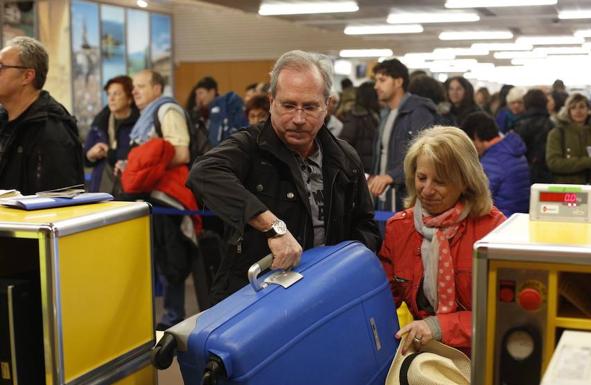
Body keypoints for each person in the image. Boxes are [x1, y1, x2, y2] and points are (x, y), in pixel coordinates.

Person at [187, 50, 381, 306]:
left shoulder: (345, 157)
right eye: (288, 106)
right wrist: (273, 227)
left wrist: (342, 265)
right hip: (256, 299)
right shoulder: (251, 146)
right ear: (271, 102)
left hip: (325, 295)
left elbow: (365, 226)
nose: (298, 119)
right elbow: (203, 173)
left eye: (310, 107)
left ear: (327, 106)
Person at [379, 126, 505, 353]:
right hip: (426, 355)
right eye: (421, 178)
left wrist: (439, 326)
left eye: (440, 181)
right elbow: (383, 302)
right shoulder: (399, 228)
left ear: (466, 181)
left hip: (480, 354)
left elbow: (503, 315)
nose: (426, 190)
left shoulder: (494, 230)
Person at [122, 69, 198, 330]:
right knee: (159, 257)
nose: (135, 91)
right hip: (154, 193)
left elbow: (181, 152)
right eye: (133, 86)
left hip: (170, 195)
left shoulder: (167, 111)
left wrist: (143, 167)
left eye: (141, 86)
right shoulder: (147, 115)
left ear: (157, 88)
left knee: (171, 258)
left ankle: (173, 317)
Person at [0, 36, 83, 194]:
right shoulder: (4, 121)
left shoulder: (51, 130)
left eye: (1, 66)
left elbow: (58, 202)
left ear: (27, 76)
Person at [370, 58, 439, 210]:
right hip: (385, 195)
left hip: (405, 196)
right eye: (376, 81)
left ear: (398, 82)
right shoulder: (386, 114)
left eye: (382, 80)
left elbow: (422, 155)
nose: (376, 86)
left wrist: (391, 176)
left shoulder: (418, 112)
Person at [462, 112, 530, 217]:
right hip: (518, 217)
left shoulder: (492, 161)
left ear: (475, 136)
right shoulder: (513, 151)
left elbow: (476, 197)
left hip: (501, 223)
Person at [84, 75, 139, 193]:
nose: (111, 99)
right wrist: (90, 154)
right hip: (100, 187)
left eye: (117, 94)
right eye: (109, 94)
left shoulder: (139, 123)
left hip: (128, 189)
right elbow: (85, 157)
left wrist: (108, 153)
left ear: (129, 98)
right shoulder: (100, 122)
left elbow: (136, 157)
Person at [546, 93, 591, 185]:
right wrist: (587, 162)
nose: (578, 111)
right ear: (568, 111)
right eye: (573, 108)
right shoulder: (557, 133)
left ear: (588, 109)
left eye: (582, 107)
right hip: (566, 187)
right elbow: (553, 163)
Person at [513, 89, 555, 184]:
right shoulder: (552, 124)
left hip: (525, 171)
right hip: (548, 171)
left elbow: (516, 150)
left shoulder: (521, 125)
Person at [339, 81, 380, 174]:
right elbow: (343, 145)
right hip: (360, 172)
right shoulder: (355, 116)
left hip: (371, 172)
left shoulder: (375, 115)